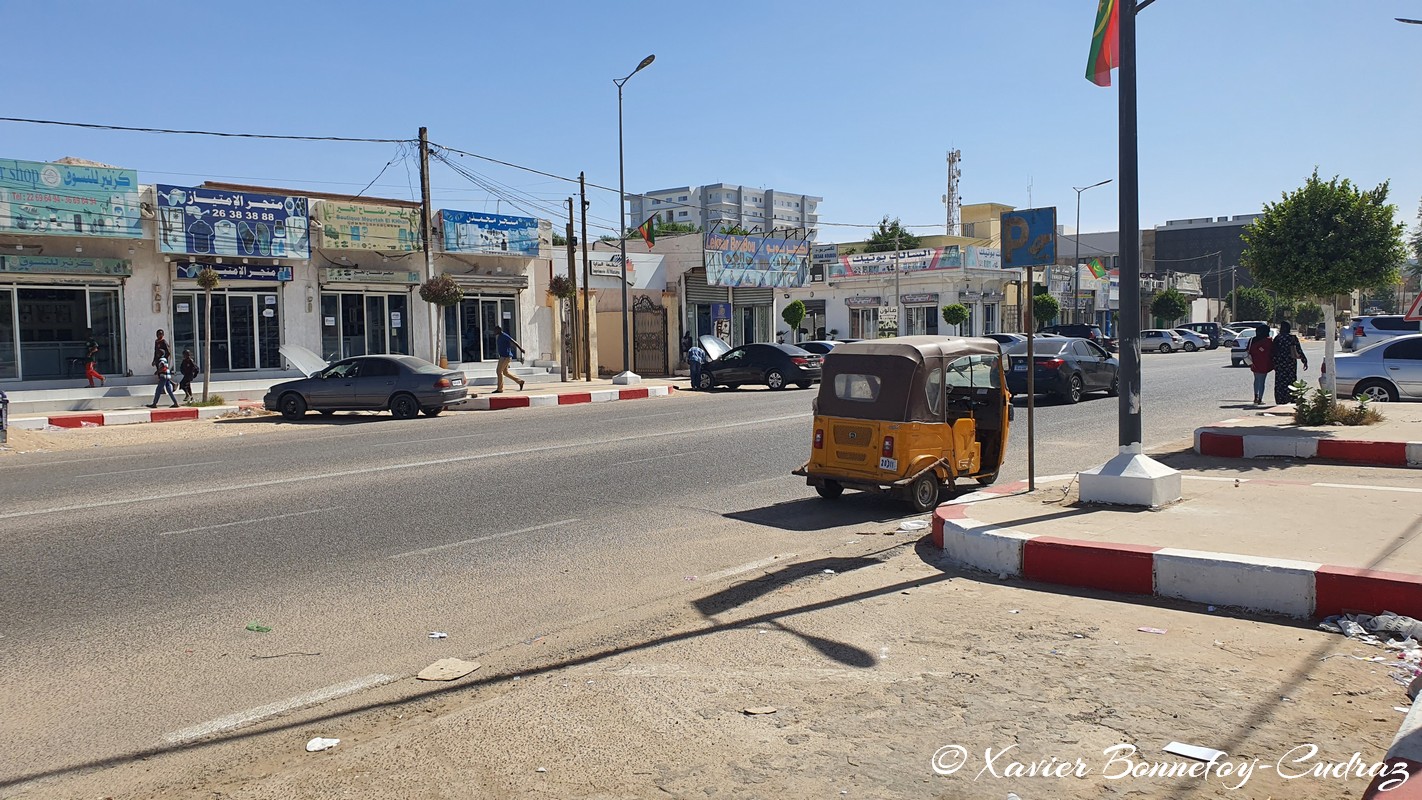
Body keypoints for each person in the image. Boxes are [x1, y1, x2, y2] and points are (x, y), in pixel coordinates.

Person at [1271, 320, 1308, 405]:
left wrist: (1274, 363)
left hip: (1280, 363)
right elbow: (1299, 350)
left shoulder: (1278, 338)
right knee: (1291, 380)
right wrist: (1304, 360)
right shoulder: (1292, 338)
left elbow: (1273, 351)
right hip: (1290, 363)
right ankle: (1292, 397)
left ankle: (1281, 399)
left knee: (1280, 381)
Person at [493, 324, 525, 393]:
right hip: (503, 356)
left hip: (506, 357)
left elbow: (513, 341)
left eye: (495, 330)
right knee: (505, 372)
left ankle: (500, 389)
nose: (494, 332)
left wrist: (521, 349)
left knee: (499, 371)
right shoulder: (499, 336)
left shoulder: (504, 336)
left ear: (499, 330)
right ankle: (520, 381)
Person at [1246, 324, 1274, 406]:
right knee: (1262, 381)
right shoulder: (1268, 340)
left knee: (1256, 380)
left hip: (1254, 362)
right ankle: (1260, 398)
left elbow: (1248, 350)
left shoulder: (1252, 340)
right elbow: (1271, 351)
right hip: (1264, 363)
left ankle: (1256, 396)